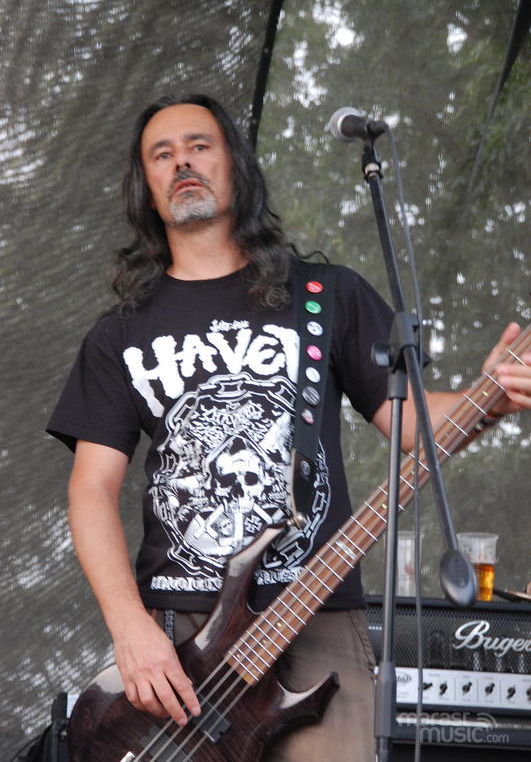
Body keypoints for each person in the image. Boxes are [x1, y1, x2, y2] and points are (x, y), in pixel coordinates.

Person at [47, 93, 531, 761]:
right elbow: (91, 489)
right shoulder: (120, 334)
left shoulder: (326, 295)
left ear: (237, 167)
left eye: (199, 145)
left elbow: (413, 427)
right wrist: (129, 626)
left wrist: (492, 396)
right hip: (184, 634)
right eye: (162, 154)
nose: (182, 162)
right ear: (146, 186)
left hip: (318, 614)